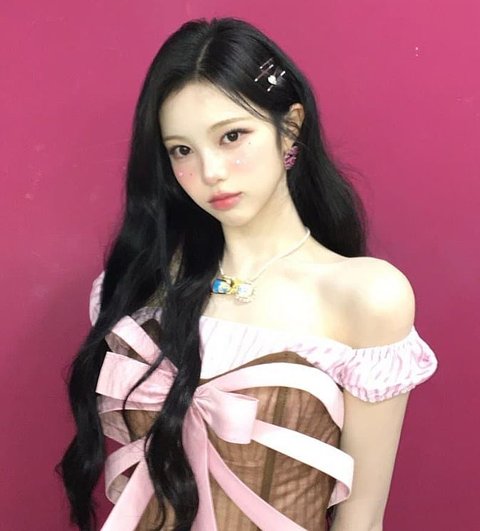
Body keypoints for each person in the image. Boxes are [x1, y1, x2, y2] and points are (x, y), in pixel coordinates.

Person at [58, 17, 438, 531]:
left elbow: (363, 520)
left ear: (290, 126)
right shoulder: (140, 286)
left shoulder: (365, 297)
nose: (210, 171)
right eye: (182, 150)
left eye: (232, 136)